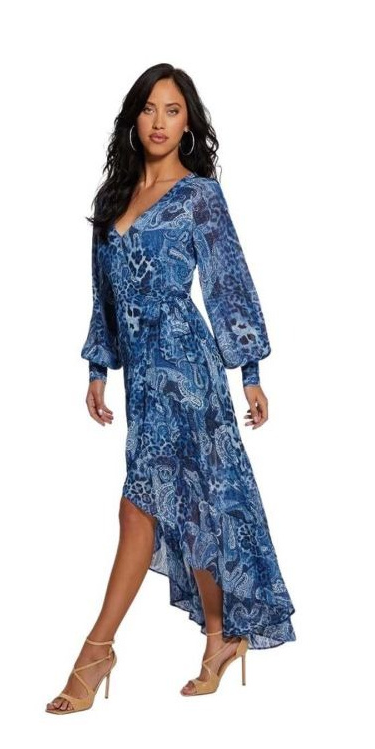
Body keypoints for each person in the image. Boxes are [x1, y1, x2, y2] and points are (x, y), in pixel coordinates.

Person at [46, 63, 296, 714]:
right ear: (135, 118)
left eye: (173, 110)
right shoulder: (112, 198)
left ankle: (95, 653)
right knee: (188, 509)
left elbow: (228, 281)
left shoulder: (200, 196)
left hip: (188, 373)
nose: (159, 121)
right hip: (142, 381)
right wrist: (97, 369)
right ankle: (220, 636)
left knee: (142, 509)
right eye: (150, 109)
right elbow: (102, 295)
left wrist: (251, 373)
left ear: (188, 124)